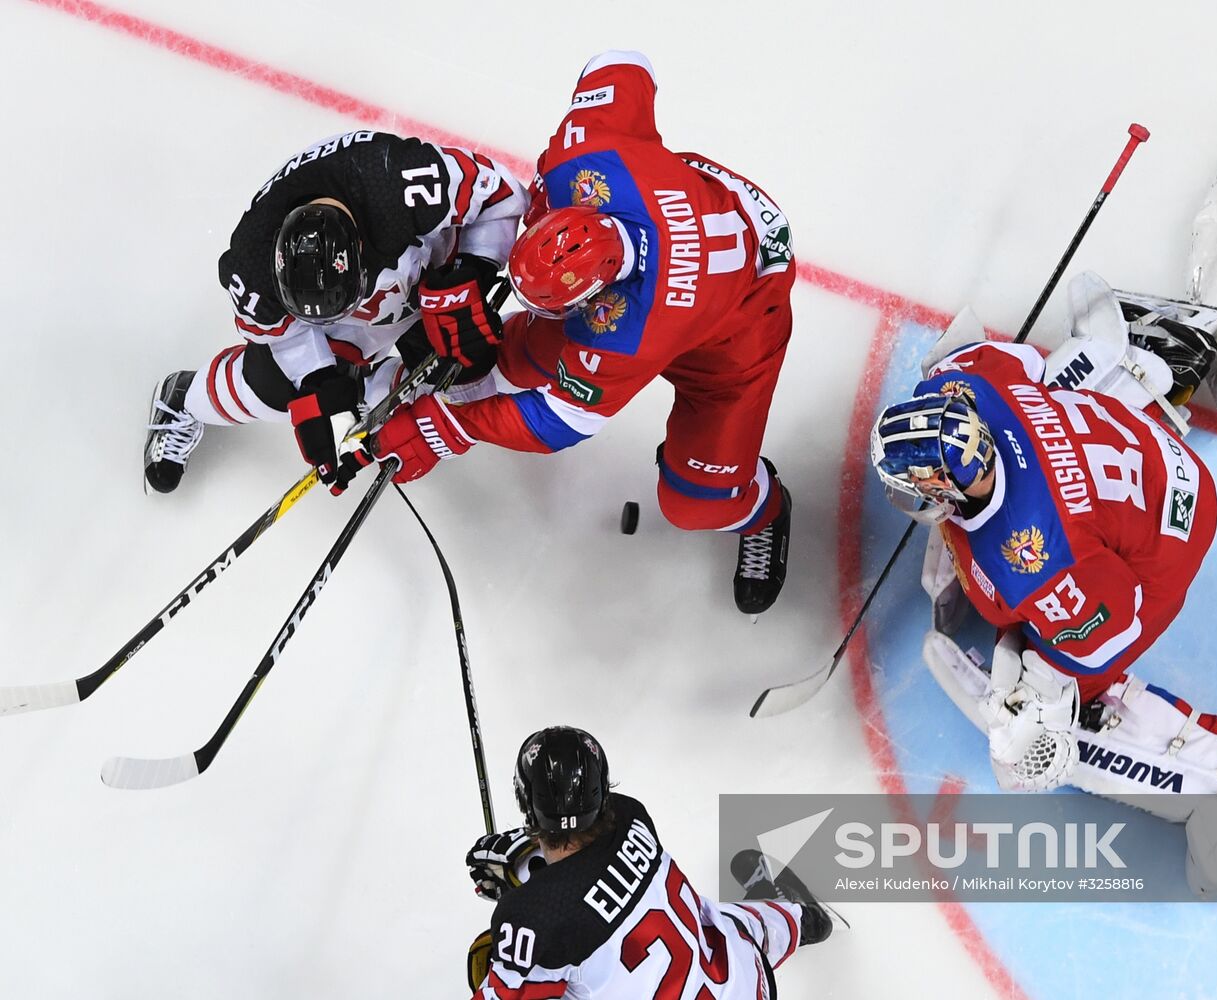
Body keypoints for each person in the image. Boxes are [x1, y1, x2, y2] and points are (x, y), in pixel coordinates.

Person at [869, 284, 1217, 896]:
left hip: (1165, 546)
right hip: (1139, 458)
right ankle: (1152, 360)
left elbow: (1111, 624)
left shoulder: (1032, 557)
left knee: (1050, 717)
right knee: (1050, 403)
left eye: (912, 490)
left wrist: (1039, 689)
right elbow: (1024, 367)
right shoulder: (964, 392)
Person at [364, 51, 799, 615]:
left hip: (736, 332)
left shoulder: (633, 327)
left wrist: (450, 428)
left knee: (698, 503)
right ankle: (454, 384)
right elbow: (619, 66)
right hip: (688, 214)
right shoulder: (587, 154)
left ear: (598, 297)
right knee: (513, 355)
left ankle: (763, 504)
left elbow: (559, 422)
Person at [143, 130, 527, 495]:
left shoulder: (402, 182)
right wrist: (317, 378)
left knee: (471, 378)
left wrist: (473, 271)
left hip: (436, 279)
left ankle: (374, 385)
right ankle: (185, 398)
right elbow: (281, 334)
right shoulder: (250, 263)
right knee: (276, 388)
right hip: (357, 315)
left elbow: (503, 194)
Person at [463, 726, 830, 999]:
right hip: (749, 984)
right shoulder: (631, 816)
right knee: (710, 924)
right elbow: (584, 871)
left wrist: (518, 920)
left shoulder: (532, 920)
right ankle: (802, 918)